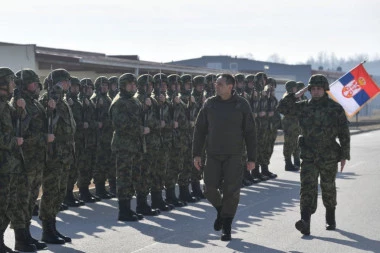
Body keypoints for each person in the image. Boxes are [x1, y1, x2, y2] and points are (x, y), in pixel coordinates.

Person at [277, 74, 350, 236]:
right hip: (308, 155)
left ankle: (330, 216)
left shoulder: (335, 108)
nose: (316, 92)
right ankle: (305, 222)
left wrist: (344, 154)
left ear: (325, 90)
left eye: (319, 89)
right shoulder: (303, 106)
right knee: (307, 188)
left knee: (328, 186)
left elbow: (344, 132)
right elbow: (282, 108)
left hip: (329, 155)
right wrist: (297, 94)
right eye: (313, 89)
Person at [193, 73, 257, 241]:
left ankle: (227, 226)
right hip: (213, 154)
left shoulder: (241, 105)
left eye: (220, 84)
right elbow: (200, 130)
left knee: (231, 192)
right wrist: (196, 154)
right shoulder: (210, 104)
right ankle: (222, 212)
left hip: (234, 155)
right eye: (216, 83)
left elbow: (250, 132)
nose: (216, 86)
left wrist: (252, 158)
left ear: (230, 86)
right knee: (209, 189)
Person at [39, 68, 76, 244]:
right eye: (65, 81)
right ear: (59, 83)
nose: (68, 84)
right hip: (53, 156)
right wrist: (56, 88)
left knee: (59, 192)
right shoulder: (49, 99)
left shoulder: (62, 102)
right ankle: (47, 230)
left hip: (64, 154)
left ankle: (53, 227)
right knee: (51, 192)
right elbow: (45, 108)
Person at [109, 73, 148, 222]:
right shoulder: (119, 102)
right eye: (130, 84)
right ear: (122, 86)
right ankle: (123, 211)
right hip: (124, 146)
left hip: (135, 146)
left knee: (133, 177)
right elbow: (120, 125)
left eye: (134, 84)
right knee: (124, 178)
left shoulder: (133, 100)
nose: (133, 86)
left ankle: (129, 208)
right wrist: (140, 130)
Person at [280, 80, 300, 171]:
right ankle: (288, 163)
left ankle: (293, 162)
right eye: (295, 87)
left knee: (294, 142)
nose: (296, 89)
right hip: (289, 123)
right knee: (289, 143)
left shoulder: (292, 97)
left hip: (293, 123)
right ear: (291, 88)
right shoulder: (288, 97)